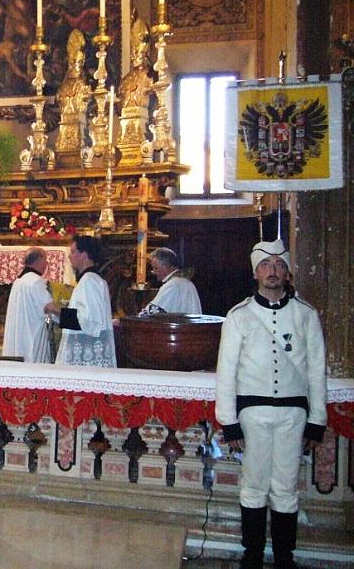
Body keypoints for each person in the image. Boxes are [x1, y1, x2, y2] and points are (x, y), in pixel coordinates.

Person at [215, 239, 327, 569]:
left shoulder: (305, 315)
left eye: (279, 265)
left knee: (286, 488)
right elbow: (227, 372)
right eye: (266, 265)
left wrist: (317, 421)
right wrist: (229, 422)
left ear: (288, 273)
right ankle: (251, 555)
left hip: (293, 414)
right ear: (255, 273)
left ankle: (283, 557)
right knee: (253, 486)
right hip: (253, 414)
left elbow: (316, 370)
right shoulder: (239, 316)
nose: (273, 271)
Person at [44, 236, 115, 367]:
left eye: (73, 252)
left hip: (86, 356)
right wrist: (59, 314)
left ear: (84, 255)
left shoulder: (89, 281)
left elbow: (89, 323)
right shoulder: (94, 279)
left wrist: (57, 309)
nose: (69, 256)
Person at [2, 247, 54, 363]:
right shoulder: (36, 281)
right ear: (39, 260)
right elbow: (49, 307)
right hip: (32, 333)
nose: (46, 264)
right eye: (45, 260)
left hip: (21, 331)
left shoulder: (19, 280)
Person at [140, 247, 202, 315]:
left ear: (165, 266)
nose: (154, 272)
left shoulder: (173, 284)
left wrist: (139, 316)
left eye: (155, 268)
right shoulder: (187, 282)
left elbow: (153, 311)